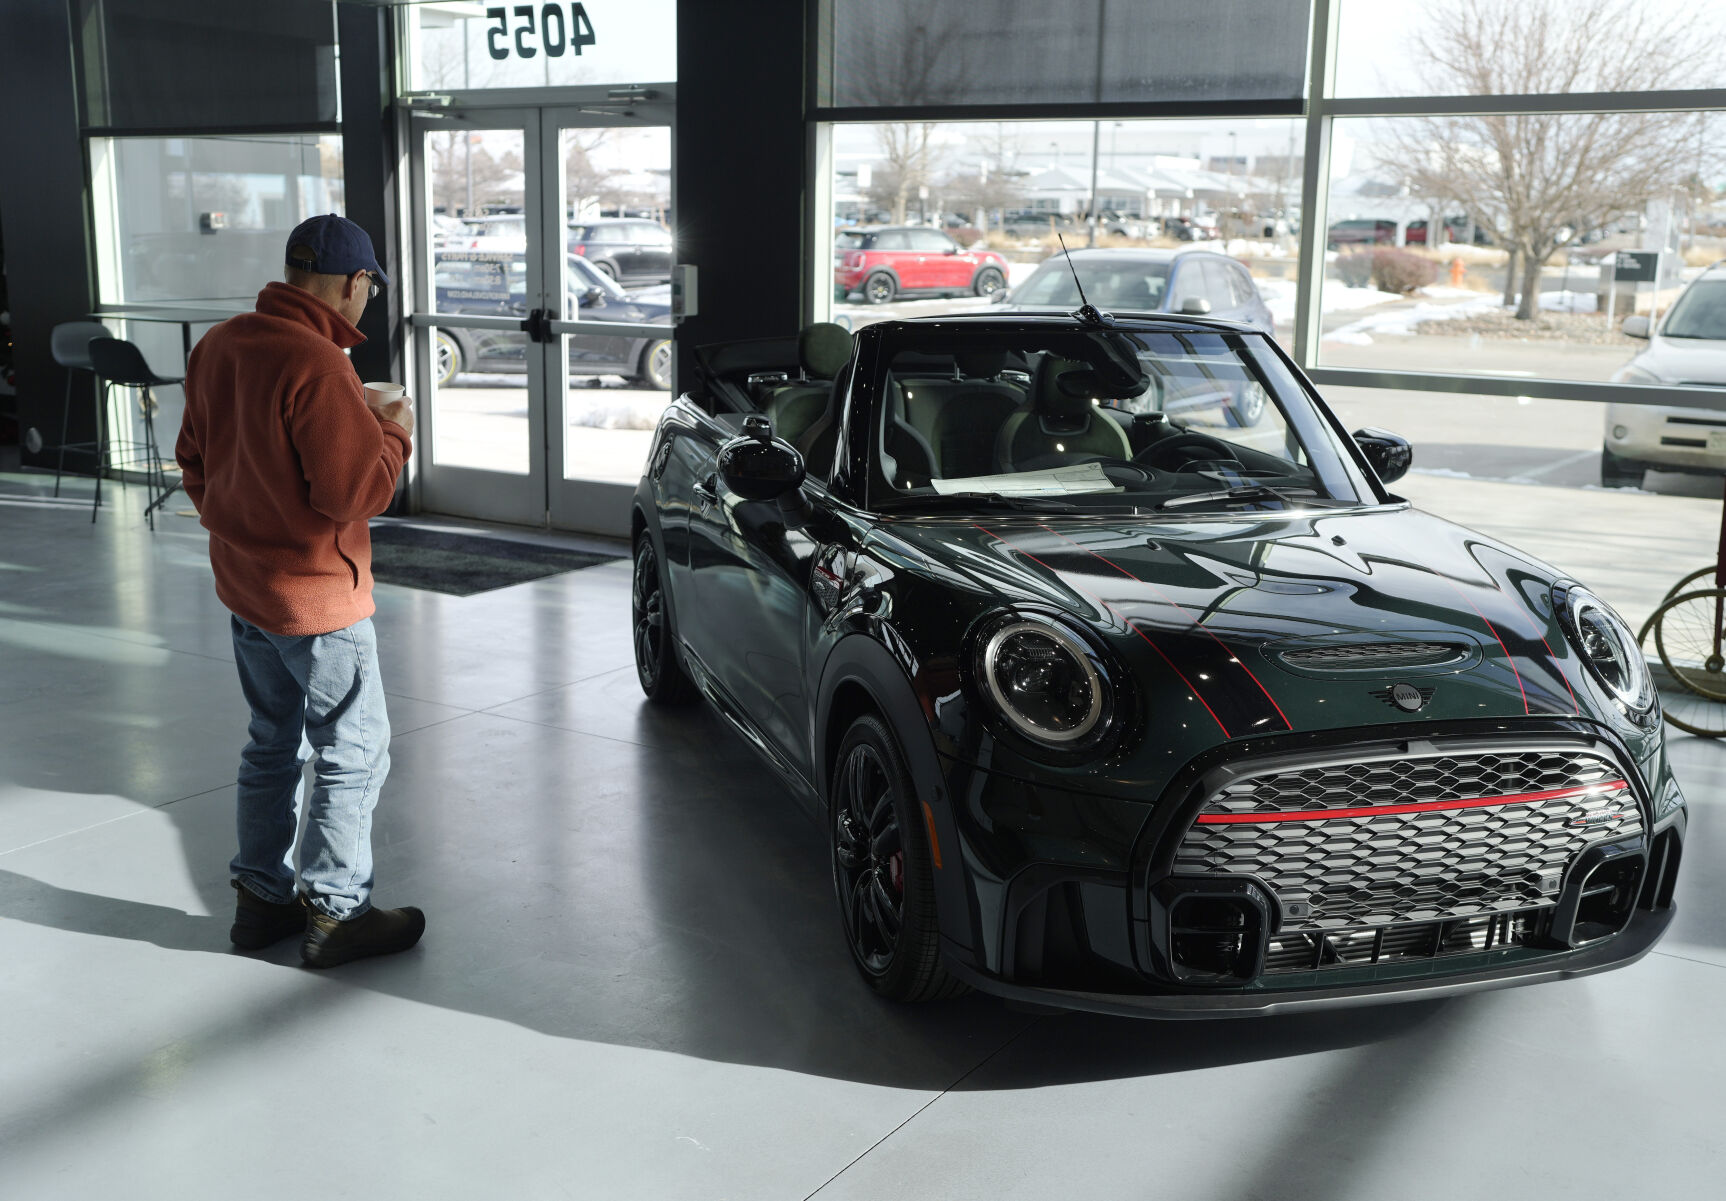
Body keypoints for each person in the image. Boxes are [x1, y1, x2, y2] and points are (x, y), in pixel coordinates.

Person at [175, 213, 424, 969]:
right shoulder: (317, 363)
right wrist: (395, 431)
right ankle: (337, 912)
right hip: (317, 602)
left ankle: (261, 900)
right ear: (353, 284)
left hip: (246, 593)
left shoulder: (220, 345)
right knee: (354, 751)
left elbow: (193, 459)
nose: (364, 307)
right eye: (367, 292)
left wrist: (238, 526)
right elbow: (353, 493)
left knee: (271, 743)